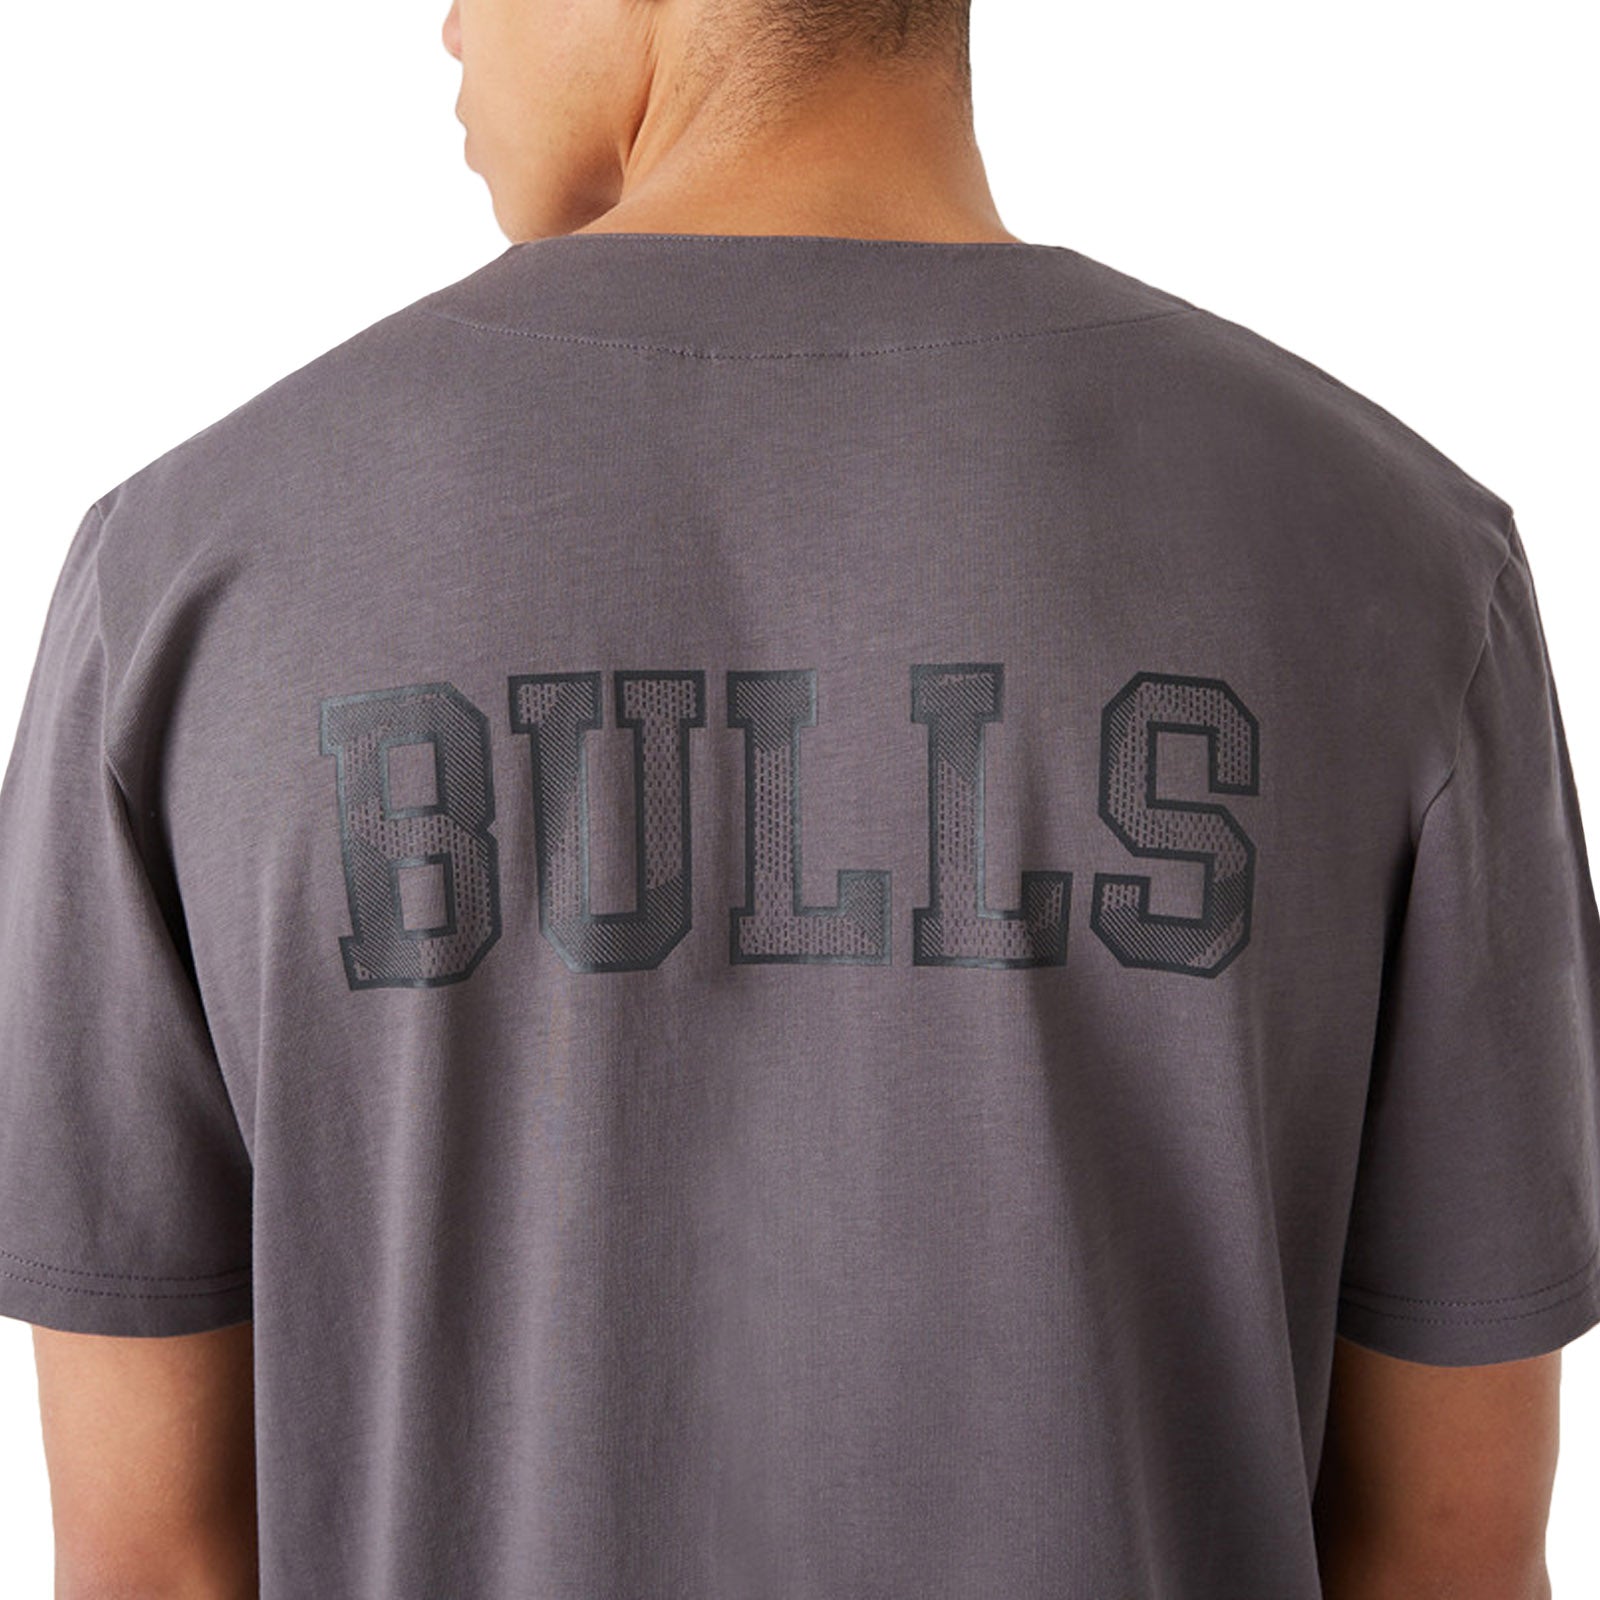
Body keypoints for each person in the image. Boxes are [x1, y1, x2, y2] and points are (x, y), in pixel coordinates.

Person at [1, 0, 1595, 1594]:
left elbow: (150, 1561)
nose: (449, 26)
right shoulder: (1393, 560)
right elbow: (1447, 1552)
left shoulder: (187, 582)